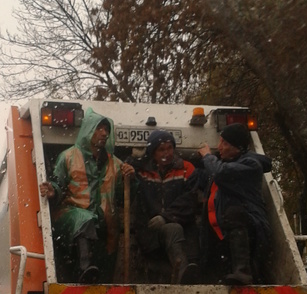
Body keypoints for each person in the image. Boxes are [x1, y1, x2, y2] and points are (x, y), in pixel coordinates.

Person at [39, 108, 134, 283]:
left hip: (105, 226)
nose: (104, 133)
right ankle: (84, 266)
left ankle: (96, 277)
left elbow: (125, 196)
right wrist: (53, 190)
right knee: (84, 219)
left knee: (105, 272)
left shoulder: (117, 164)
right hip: (72, 216)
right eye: (99, 128)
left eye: (107, 129)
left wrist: (131, 178)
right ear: (89, 129)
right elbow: (58, 183)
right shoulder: (68, 157)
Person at [197, 122, 272, 285]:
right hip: (226, 234)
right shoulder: (228, 164)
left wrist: (207, 156)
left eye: (224, 143)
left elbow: (220, 173)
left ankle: (244, 271)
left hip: (251, 228)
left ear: (237, 147)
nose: (220, 147)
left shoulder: (251, 165)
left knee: (234, 213)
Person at [131, 129, 202, 284]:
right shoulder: (143, 172)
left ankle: (184, 273)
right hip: (150, 234)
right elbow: (127, 175)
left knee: (173, 228)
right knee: (172, 229)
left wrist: (166, 217)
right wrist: (136, 159)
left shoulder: (186, 169)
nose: (167, 153)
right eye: (161, 149)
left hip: (183, 231)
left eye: (170, 148)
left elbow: (189, 200)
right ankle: (184, 274)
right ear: (153, 153)